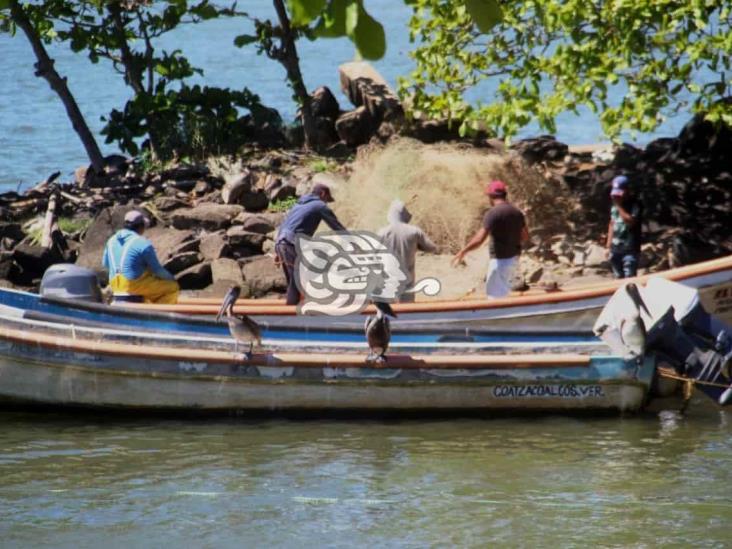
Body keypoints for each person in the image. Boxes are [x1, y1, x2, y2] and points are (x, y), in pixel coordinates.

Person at [452, 180, 529, 298]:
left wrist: (463, 251)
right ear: (504, 194)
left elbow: (479, 239)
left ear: (491, 196)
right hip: (514, 259)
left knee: (495, 297)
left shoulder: (493, 213)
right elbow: (525, 236)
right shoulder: (517, 212)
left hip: (499, 262)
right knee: (509, 294)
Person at [275, 182, 347, 305]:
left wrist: (277, 251)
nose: (326, 203)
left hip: (282, 243)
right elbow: (337, 227)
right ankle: (291, 313)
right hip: (292, 243)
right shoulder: (319, 205)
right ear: (323, 194)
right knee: (296, 281)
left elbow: (283, 226)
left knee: (294, 280)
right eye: (327, 200)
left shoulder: (297, 205)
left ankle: (293, 308)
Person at [102, 210, 179, 304]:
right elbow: (157, 270)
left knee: (148, 280)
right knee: (172, 288)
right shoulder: (142, 243)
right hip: (132, 286)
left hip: (115, 284)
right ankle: (159, 315)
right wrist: (172, 279)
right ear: (140, 226)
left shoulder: (111, 240)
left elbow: (105, 263)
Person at [377, 199, 438, 302]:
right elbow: (432, 248)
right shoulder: (414, 231)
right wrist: (416, 246)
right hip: (407, 282)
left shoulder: (383, 232)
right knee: (406, 312)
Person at [606, 175, 642, 279]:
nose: (618, 197)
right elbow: (612, 224)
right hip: (615, 249)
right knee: (618, 277)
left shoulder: (635, 205)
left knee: (629, 278)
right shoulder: (614, 206)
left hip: (630, 250)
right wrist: (608, 246)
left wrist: (619, 206)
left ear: (627, 190)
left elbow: (630, 222)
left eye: (620, 194)